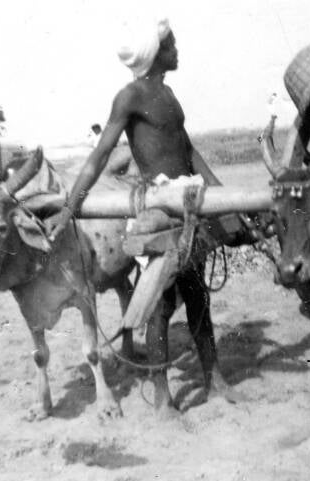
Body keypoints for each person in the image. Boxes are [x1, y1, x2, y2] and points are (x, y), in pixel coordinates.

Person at [44, 18, 243, 415]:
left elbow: (189, 151)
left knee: (197, 295)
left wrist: (226, 199)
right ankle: (163, 398)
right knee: (160, 305)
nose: (177, 50)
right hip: (157, 208)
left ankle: (214, 379)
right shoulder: (129, 96)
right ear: (155, 53)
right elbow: (99, 156)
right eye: (171, 45)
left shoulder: (168, 94)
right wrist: (68, 209)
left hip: (187, 201)